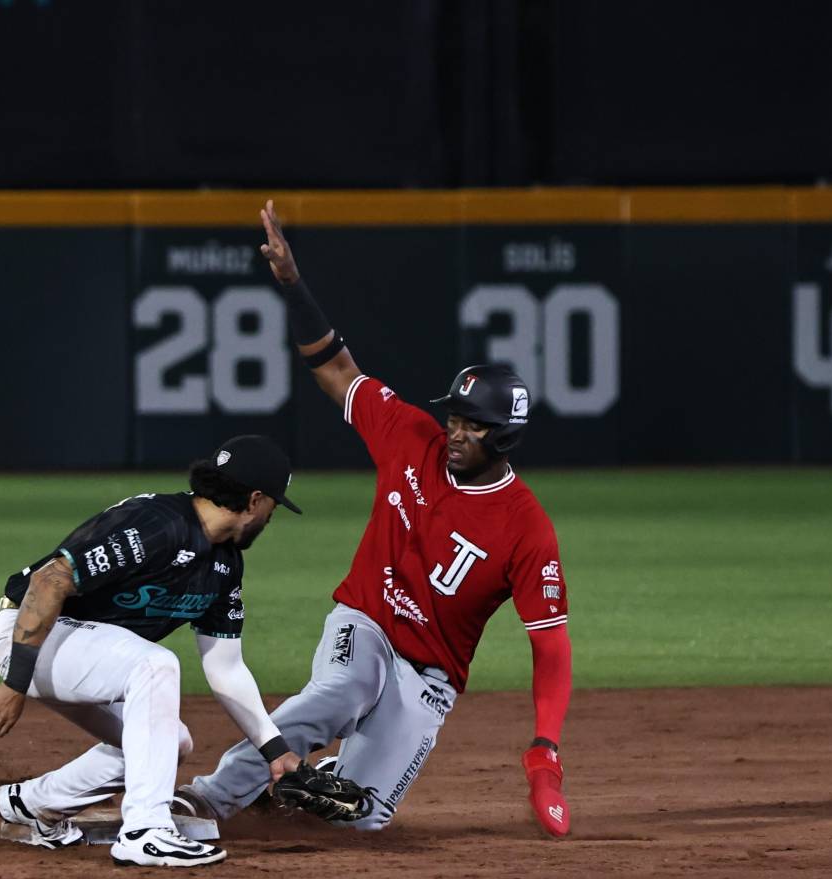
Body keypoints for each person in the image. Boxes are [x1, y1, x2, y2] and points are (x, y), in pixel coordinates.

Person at [176, 200, 575, 836]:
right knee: (340, 693)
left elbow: (550, 644)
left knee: (360, 819)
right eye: (454, 415)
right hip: (365, 623)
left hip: (432, 676)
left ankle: (306, 781)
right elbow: (336, 368)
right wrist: (291, 283)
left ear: (503, 438)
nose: (454, 430)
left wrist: (545, 750)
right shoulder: (409, 435)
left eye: (472, 424)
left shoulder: (526, 527)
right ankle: (206, 799)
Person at [0, 435, 304, 868]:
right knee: (155, 664)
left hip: (88, 649)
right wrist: (16, 680)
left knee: (170, 741)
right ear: (255, 500)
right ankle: (146, 830)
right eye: (274, 506)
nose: (271, 517)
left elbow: (225, 666)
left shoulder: (224, 564)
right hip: (31, 637)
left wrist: (276, 753)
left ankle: (31, 804)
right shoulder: (156, 524)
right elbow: (49, 581)